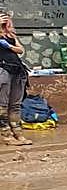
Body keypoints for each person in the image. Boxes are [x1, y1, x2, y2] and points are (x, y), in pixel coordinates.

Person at [0, 13, 31, 146]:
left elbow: (20, 50)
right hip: (3, 69)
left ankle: (18, 133)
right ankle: (5, 135)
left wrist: (9, 46)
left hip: (17, 70)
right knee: (2, 104)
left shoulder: (10, 36)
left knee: (15, 105)